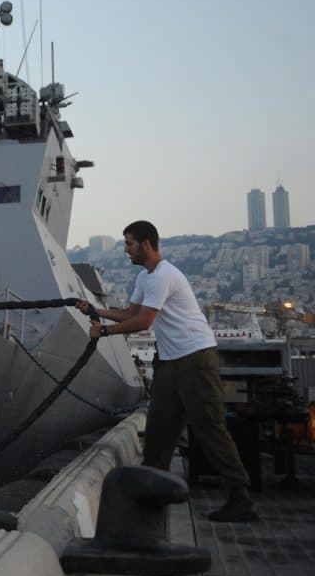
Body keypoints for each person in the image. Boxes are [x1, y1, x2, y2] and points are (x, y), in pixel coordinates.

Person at [77, 220, 256, 522]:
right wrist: (95, 310)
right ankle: (151, 492)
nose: (125, 250)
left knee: (209, 427)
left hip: (196, 358)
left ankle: (241, 497)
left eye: (129, 243)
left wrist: (104, 331)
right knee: (160, 429)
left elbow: (143, 322)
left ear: (146, 244)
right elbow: (130, 313)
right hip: (171, 362)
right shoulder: (146, 279)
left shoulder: (163, 275)